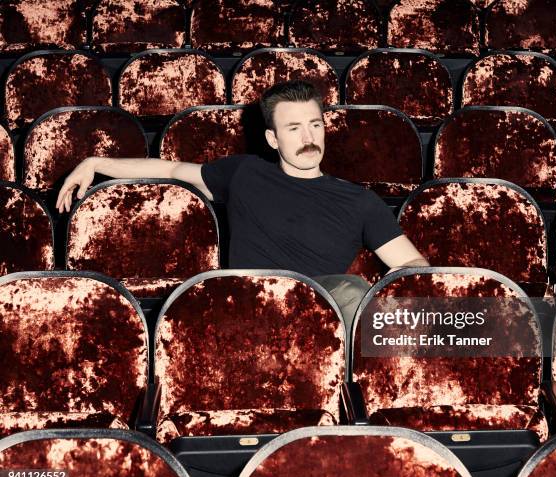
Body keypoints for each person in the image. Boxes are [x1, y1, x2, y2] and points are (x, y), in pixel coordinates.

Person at [56, 80, 429, 326]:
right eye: (293, 128)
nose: (308, 138)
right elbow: (170, 169)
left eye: (314, 125)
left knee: (363, 294)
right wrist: (95, 163)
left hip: (315, 315)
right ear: (272, 138)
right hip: (242, 306)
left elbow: (413, 265)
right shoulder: (244, 173)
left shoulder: (359, 200)